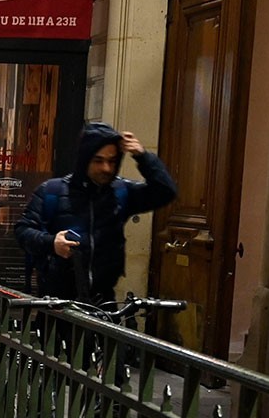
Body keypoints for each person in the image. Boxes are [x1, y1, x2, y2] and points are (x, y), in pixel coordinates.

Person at [14, 122, 178, 303]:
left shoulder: (121, 192)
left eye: (112, 161)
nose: (106, 168)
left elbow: (166, 192)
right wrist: (51, 243)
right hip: (57, 304)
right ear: (85, 160)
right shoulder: (52, 191)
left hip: (103, 303)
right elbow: (23, 231)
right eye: (98, 161)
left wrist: (143, 156)